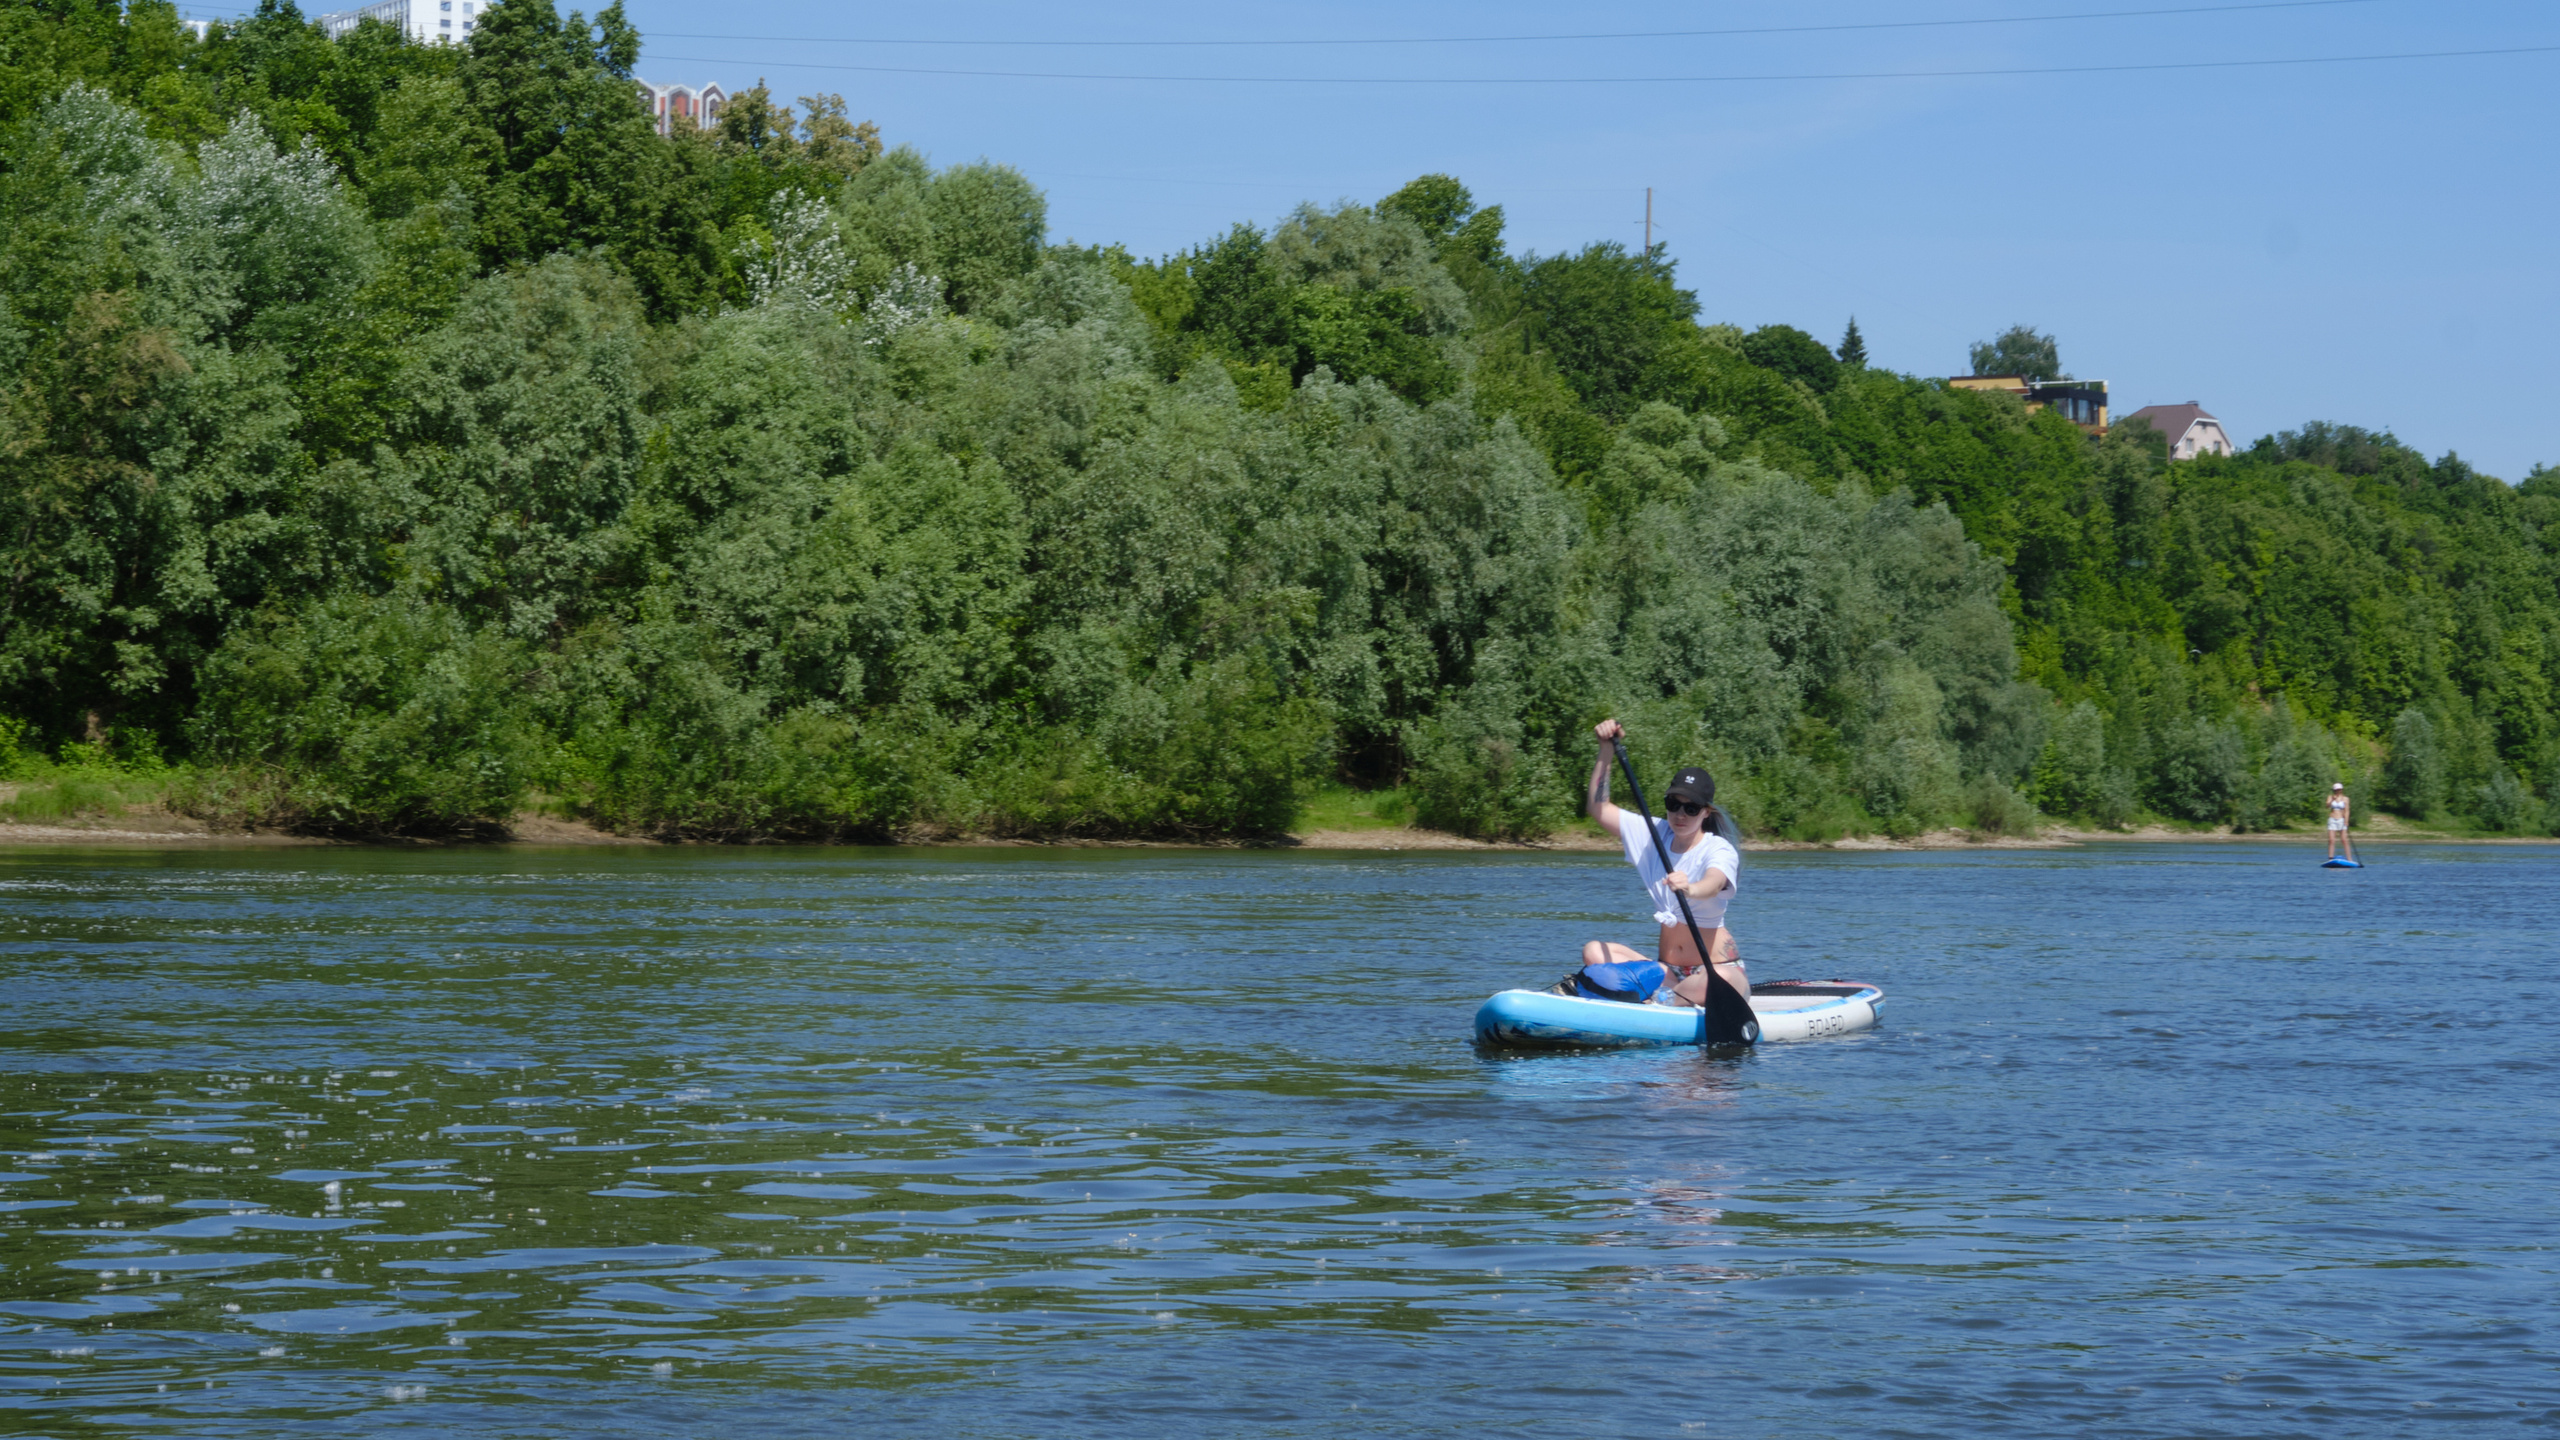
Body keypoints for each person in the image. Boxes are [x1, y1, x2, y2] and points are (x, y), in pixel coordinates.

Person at [1549, 718, 1749, 1010]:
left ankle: (1655, 1000)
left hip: (1716, 971)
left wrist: (1690, 888)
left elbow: (1714, 882)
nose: (1680, 814)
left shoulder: (1718, 848)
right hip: (1666, 972)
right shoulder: (1652, 833)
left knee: (1721, 977)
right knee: (1594, 952)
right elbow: (1598, 807)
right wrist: (1606, 749)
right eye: (1673, 804)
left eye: (1691, 808)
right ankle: (1662, 997)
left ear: (1705, 812)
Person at [2325, 781, 2356, 862]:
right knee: (2331, 840)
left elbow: (2347, 810)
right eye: (2336, 790)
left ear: (2341, 790)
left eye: (2339, 790)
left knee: (2344, 840)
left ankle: (2349, 859)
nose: (2337, 791)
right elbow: (2327, 806)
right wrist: (2332, 800)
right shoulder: (2330, 797)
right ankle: (2330, 858)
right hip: (2332, 819)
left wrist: (2346, 821)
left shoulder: (2345, 799)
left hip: (2341, 820)